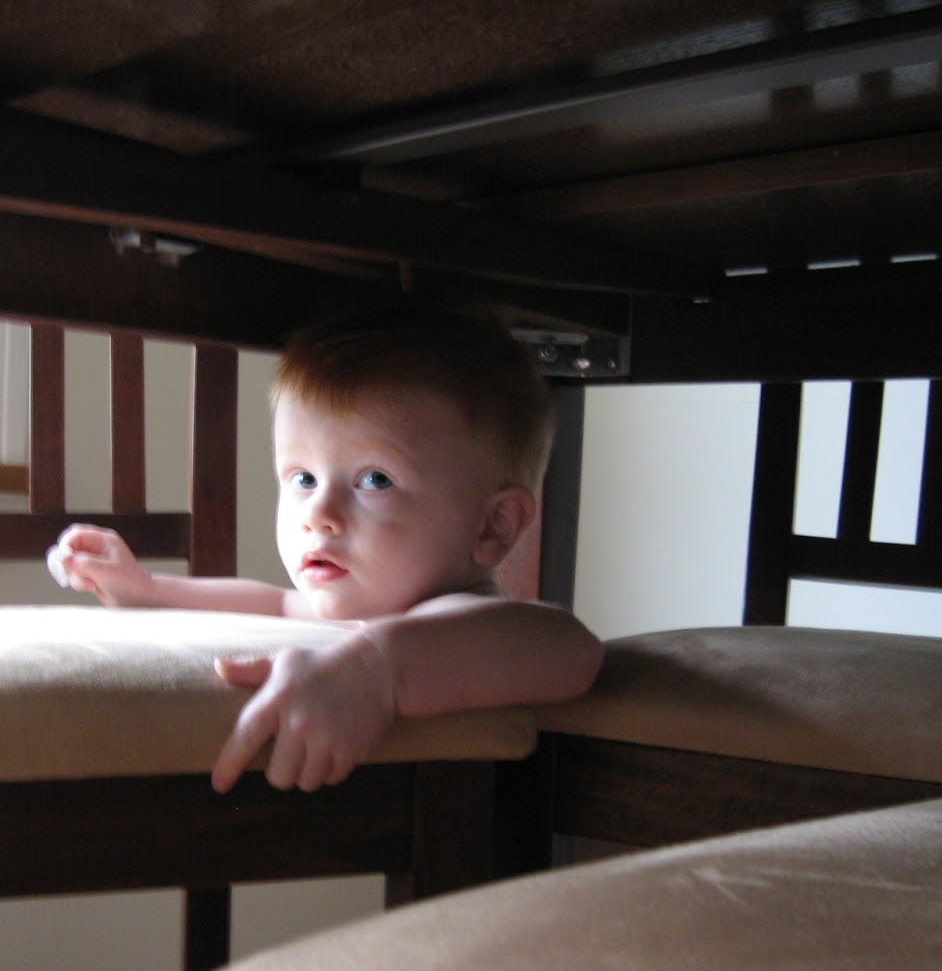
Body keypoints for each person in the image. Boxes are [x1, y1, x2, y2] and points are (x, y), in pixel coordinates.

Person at [47, 301, 604, 793]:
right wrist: (149, 589)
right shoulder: (359, 596)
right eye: (303, 479)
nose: (318, 514)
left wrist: (377, 671)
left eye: (375, 480)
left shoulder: (465, 617)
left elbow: (568, 647)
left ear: (493, 526)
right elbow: (266, 601)